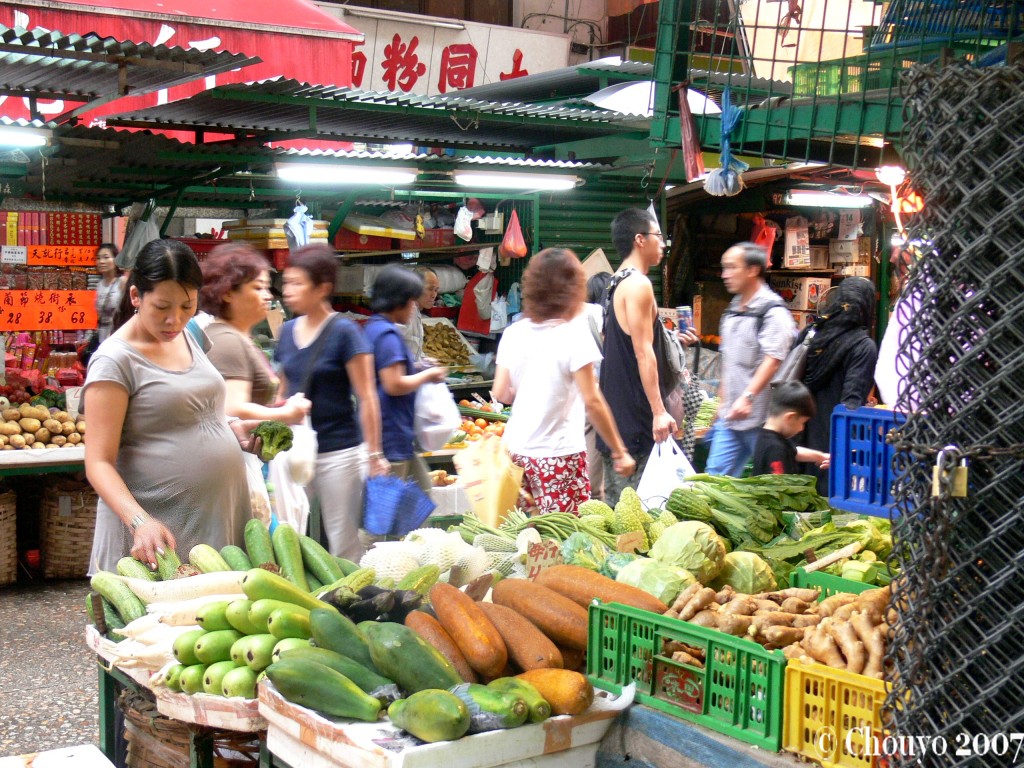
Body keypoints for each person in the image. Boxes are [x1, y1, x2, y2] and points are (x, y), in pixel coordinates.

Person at [84, 239, 250, 573]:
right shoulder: (114, 361)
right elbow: (98, 462)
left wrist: (235, 429)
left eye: (187, 306)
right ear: (136, 297)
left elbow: (196, 408)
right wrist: (139, 522)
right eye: (161, 307)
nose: (174, 320)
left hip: (216, 514)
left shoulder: (190, 334)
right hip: (159, 531)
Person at [493, 248, 636, 514]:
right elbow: (593, 401)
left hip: (516, 452)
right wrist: (619, 450)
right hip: (559, 456)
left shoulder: (514, 333)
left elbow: (501, 392)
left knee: (527, 536)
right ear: (573, 290)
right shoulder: (573, 335)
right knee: (564, 539)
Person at [275, 244, 387, 560]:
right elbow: (281, 392)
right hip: (296, 450)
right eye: (286, 283)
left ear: (322, 288)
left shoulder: (345, 331)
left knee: (343, 542)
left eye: (297, 283)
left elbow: (367, 397)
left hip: (340, 452)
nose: (288, 291)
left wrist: (375, 454)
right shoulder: (285, 332)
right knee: (289, 535)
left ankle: (351, 605)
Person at [597, 209, 698, 500]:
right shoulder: (639, 285)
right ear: (639, 240)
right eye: (658, 236)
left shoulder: (614, 283)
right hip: (638, 421)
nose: (664, 243)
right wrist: (658, 412)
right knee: (645, 517)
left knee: (622, 517)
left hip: (618, 419)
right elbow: (643, 353)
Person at [706, 242, 795, 477]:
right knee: (713, 480)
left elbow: (773, 359)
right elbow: (729, 364)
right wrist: (720, 406)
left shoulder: (773, 312)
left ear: (753, 270)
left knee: (772, 483)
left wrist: (747, 397)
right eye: (724, 268)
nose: (725, 275)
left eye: (731, 268)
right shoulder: (733, 310)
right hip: (731, 419)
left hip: (763, 422)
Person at [199, 243, 310, 424]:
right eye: (258, 288)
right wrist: (287, 414)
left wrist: (283, 405)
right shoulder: (229, 341)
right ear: (227, 293)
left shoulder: (235, 335)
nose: (268, 296)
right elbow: (233, 408)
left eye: (267, 288)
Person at [363, 265, 449, 491]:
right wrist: (428, 374)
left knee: (421, 494)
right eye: (411, 301)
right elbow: (394, 384)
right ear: (398, 300)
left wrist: (418, 366)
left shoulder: (374, 328)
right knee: (386, 517)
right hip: (390, 436)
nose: (413, 307)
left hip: (397, 436)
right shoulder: (387, 335)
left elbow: (389, 372)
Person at [800, 276, 878, 493]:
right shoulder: (863, 346)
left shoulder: (812, 332)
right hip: (831, 442)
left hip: (799, 431)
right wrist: (843, 451)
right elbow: (850, 403)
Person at [752, 381, 830, 476]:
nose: (802, 428)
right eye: (802, 423)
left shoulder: (766, 435)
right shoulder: (776, 449)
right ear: (790, 417)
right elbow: (778, 484)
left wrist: (821, 457)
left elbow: (795, 452)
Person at [401, 266, 441, 362]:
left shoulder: (416, 311)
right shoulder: (406, 313)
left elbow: (414, 351)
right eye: (430, 289)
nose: (434, 295)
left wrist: (426, 362)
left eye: (436, 290)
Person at [94, 243, 124, 343]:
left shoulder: (123, 282)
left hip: (119, 334)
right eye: (98, 258)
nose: (101, 261)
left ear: (116, 259)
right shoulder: (100, 285)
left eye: (106, 257)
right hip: (103, 336)